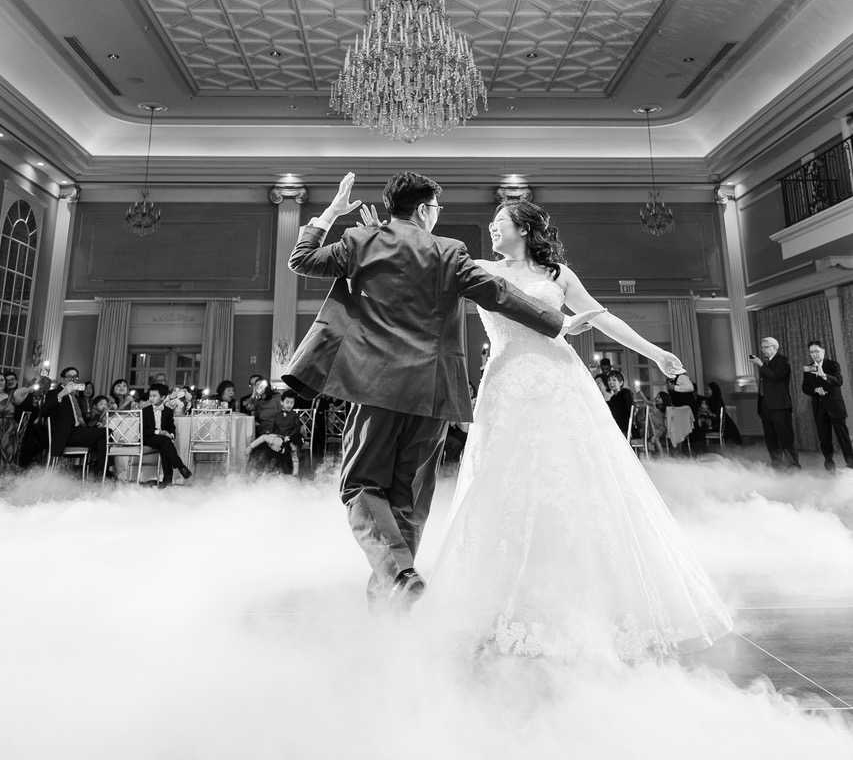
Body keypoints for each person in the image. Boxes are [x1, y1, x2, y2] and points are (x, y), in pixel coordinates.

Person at [427, 198, 732, 662]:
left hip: (560, 382)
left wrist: (655, 353)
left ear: (524, 228)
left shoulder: (558, 275)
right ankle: (496, 603)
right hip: (506, 385)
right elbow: (426, 270)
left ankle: (591, 600)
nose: (491, 228)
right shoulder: (481, 269)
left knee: (575, 480)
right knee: (503, 483)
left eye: (499, 221)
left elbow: (603, 317)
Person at [285, 171, 576, 611]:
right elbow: (498, 294)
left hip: (376, 386)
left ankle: (399, 577)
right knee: (409, 500)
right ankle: (393, 606)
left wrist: (331, 213)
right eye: (436, 208)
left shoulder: (361, 241)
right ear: (424, 210)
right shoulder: (450, 250)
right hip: (433, 392)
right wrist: (558, 322)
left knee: (361, 485)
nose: (437, 215)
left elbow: (302, 259)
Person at [43, 366, 108, 478]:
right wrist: (62, 394)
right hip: (66, 434)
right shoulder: (54, 393)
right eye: (69, 377)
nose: (72, 379)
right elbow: (44, 412)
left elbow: (81, 418)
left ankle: (100, 471)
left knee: (103, 435)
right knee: (106, 433)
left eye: (75, 377)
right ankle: (100, 472)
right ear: (62, 379)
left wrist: (95, 421)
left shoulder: (76, 398)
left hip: (79, 431)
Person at [802, 340, 853, 473]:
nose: (814, 354)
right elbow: (805, 387)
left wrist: (824, 375)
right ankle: (829, 464)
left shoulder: (833, 365)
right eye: (811, 352)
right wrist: (815, 389)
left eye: (816, 351)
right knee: (824, 438)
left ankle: (851, 464)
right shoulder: (808, 368)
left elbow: (839, 381)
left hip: (835, 407)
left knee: (843, 437)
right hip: (819, 408)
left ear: (823, 351)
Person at [751, 336, 800, 469]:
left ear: (774, 347)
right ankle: (777, 465)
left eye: (765, 347)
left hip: (780, 406)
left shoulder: (783, 361)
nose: (763, 350)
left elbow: (775, 376)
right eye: (762, 348)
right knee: (770, 438)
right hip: (765, 405)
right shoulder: (766, 363)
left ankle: (793, 465)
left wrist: (761, 364)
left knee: (785, 437)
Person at [141, 384, 192, 487]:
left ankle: (167, 480)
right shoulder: (145, 411)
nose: (151, 398)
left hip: (162, 439)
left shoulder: (168, 411)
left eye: (154, 396)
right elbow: (143, 430)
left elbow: (171, 426)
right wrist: (159, 432)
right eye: (150, 396)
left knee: (165, 444)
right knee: (165, 441)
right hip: (149, 438)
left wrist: (171, 435)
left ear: (163, 397)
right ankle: (180, 467)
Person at [604, 370, 633, 436]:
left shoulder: (626, 393)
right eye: (609, 380)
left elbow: (628, 411)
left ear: (621, 383)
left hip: (626, 428)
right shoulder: (613, 398)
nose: (611, 382)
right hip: (617, 427)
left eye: (614, 380)